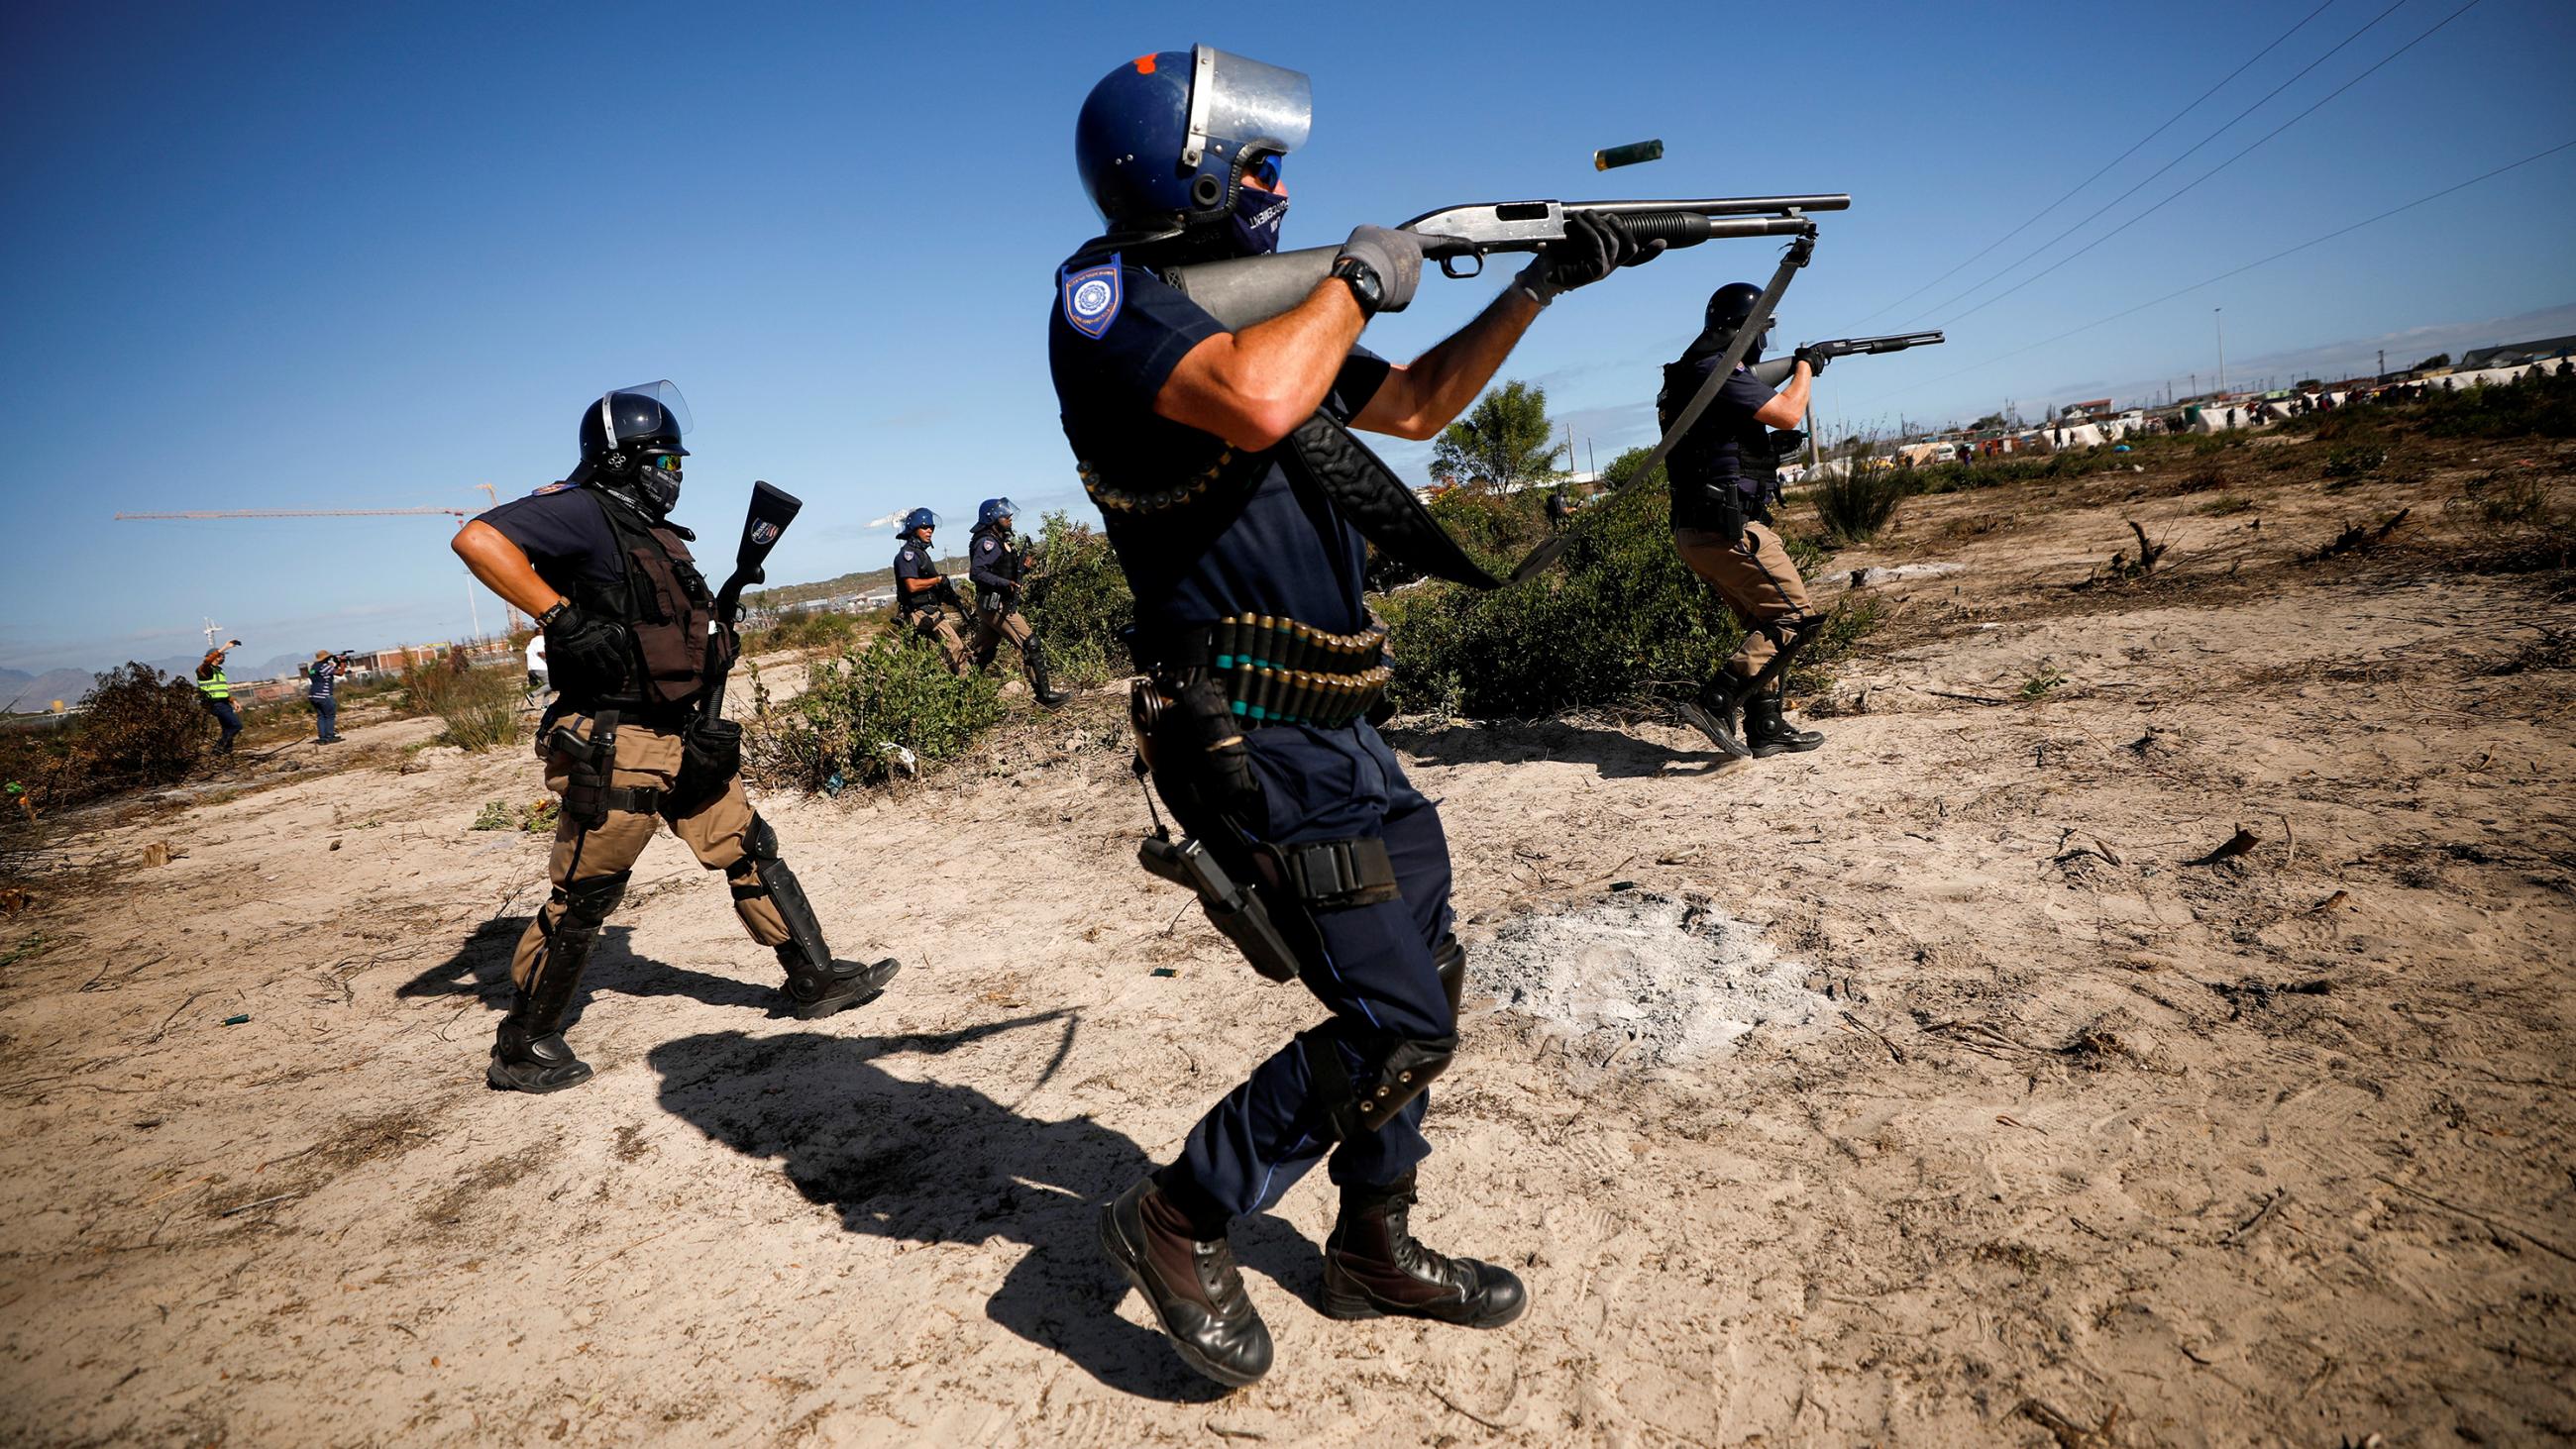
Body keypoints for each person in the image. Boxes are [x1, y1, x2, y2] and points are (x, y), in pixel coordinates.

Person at [1052, 45, 1663, 1387]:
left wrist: (1536, 284)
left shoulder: (1264, 324)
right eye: (1257, 162)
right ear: (1188, 171)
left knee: (1424, 975)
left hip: (1344, 725)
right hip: (1252, 730)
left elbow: (1425, 405)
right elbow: (1264, 395)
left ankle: (1373, 1243)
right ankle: (1180, 1211)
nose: (1279, 183)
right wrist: (1353, 274)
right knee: (1396, 1020)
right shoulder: (1110, 305)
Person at [451, 380, 899, 1094]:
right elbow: (477, 538)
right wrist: (560, 615)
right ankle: (523, 1042)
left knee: (749, 846)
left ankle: (813, 976)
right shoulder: (585, 511)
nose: (675, 473)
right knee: (587, 894)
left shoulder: (648, 528)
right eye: (662, 460)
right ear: (624, 461)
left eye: (677, 461)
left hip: (682, 732)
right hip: (617, 739)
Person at [1660, 283, 1829, 760]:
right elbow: (1789, 413)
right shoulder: (1716, 370)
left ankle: (1767, 724)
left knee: (1765, 620)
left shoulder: (1692, 374)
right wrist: (1805, 367)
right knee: (1795, 618)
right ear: (1747, 329)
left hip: (1702, 527)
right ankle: (1715, 701)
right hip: (1726, 528)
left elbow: (1720, 446)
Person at [965, 497, 1068, 706]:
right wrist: (1004, 582)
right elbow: (976, 572)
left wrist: (1024, 568)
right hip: (996, 605)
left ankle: (962, 697)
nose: (1010, 518)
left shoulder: (998, 539)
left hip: (990, 605)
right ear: (993, 518)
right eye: (1005, 515)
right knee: (1031, 643)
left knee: (981, 654)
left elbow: (1000, 569)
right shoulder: (988, 542)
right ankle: (1045, 695)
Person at [891, 508, 973, 673]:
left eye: (932, 528)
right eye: (925, 527)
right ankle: (970, 687)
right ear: (914, 530)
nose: (930, 531)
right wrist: (937, 580)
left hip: (927, 611)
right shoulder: (908, 555)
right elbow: (912, 585)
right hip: (920, 613)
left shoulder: (920, 554)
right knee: (955, 649)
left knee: (930, 660)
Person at [194, 640, 243, 755]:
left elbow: (221, 692)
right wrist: (224, 647)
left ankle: (226, 753)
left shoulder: (218, 671)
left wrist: (233, 701)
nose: (224, 657)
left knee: (227, 728)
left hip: (222, 703)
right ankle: (217, 750)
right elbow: (206, 662)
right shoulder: (204, 671)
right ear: (216, 656)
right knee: (236, 725)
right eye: (222, 655)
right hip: (216, 704)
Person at [306, 650, 347, 744]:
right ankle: (330, 736)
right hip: (324, 695)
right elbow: (340, 673)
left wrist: (336, 664)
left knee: (321, 716)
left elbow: (329, 673)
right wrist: (342, 663)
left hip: (313, 694)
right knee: (329, 716)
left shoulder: (313, 667)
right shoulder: (324, 667)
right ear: (326, 658)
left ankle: (323, 738)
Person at [525, 630, 550, 699]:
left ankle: (545, 705)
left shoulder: (532, 642)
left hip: (532, 668)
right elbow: (540, 653)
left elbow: (526, 654)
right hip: (540, 667)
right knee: (553, 684)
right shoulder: (541, 639)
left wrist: (528, 669)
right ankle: (532, 695)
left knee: (547, 686)